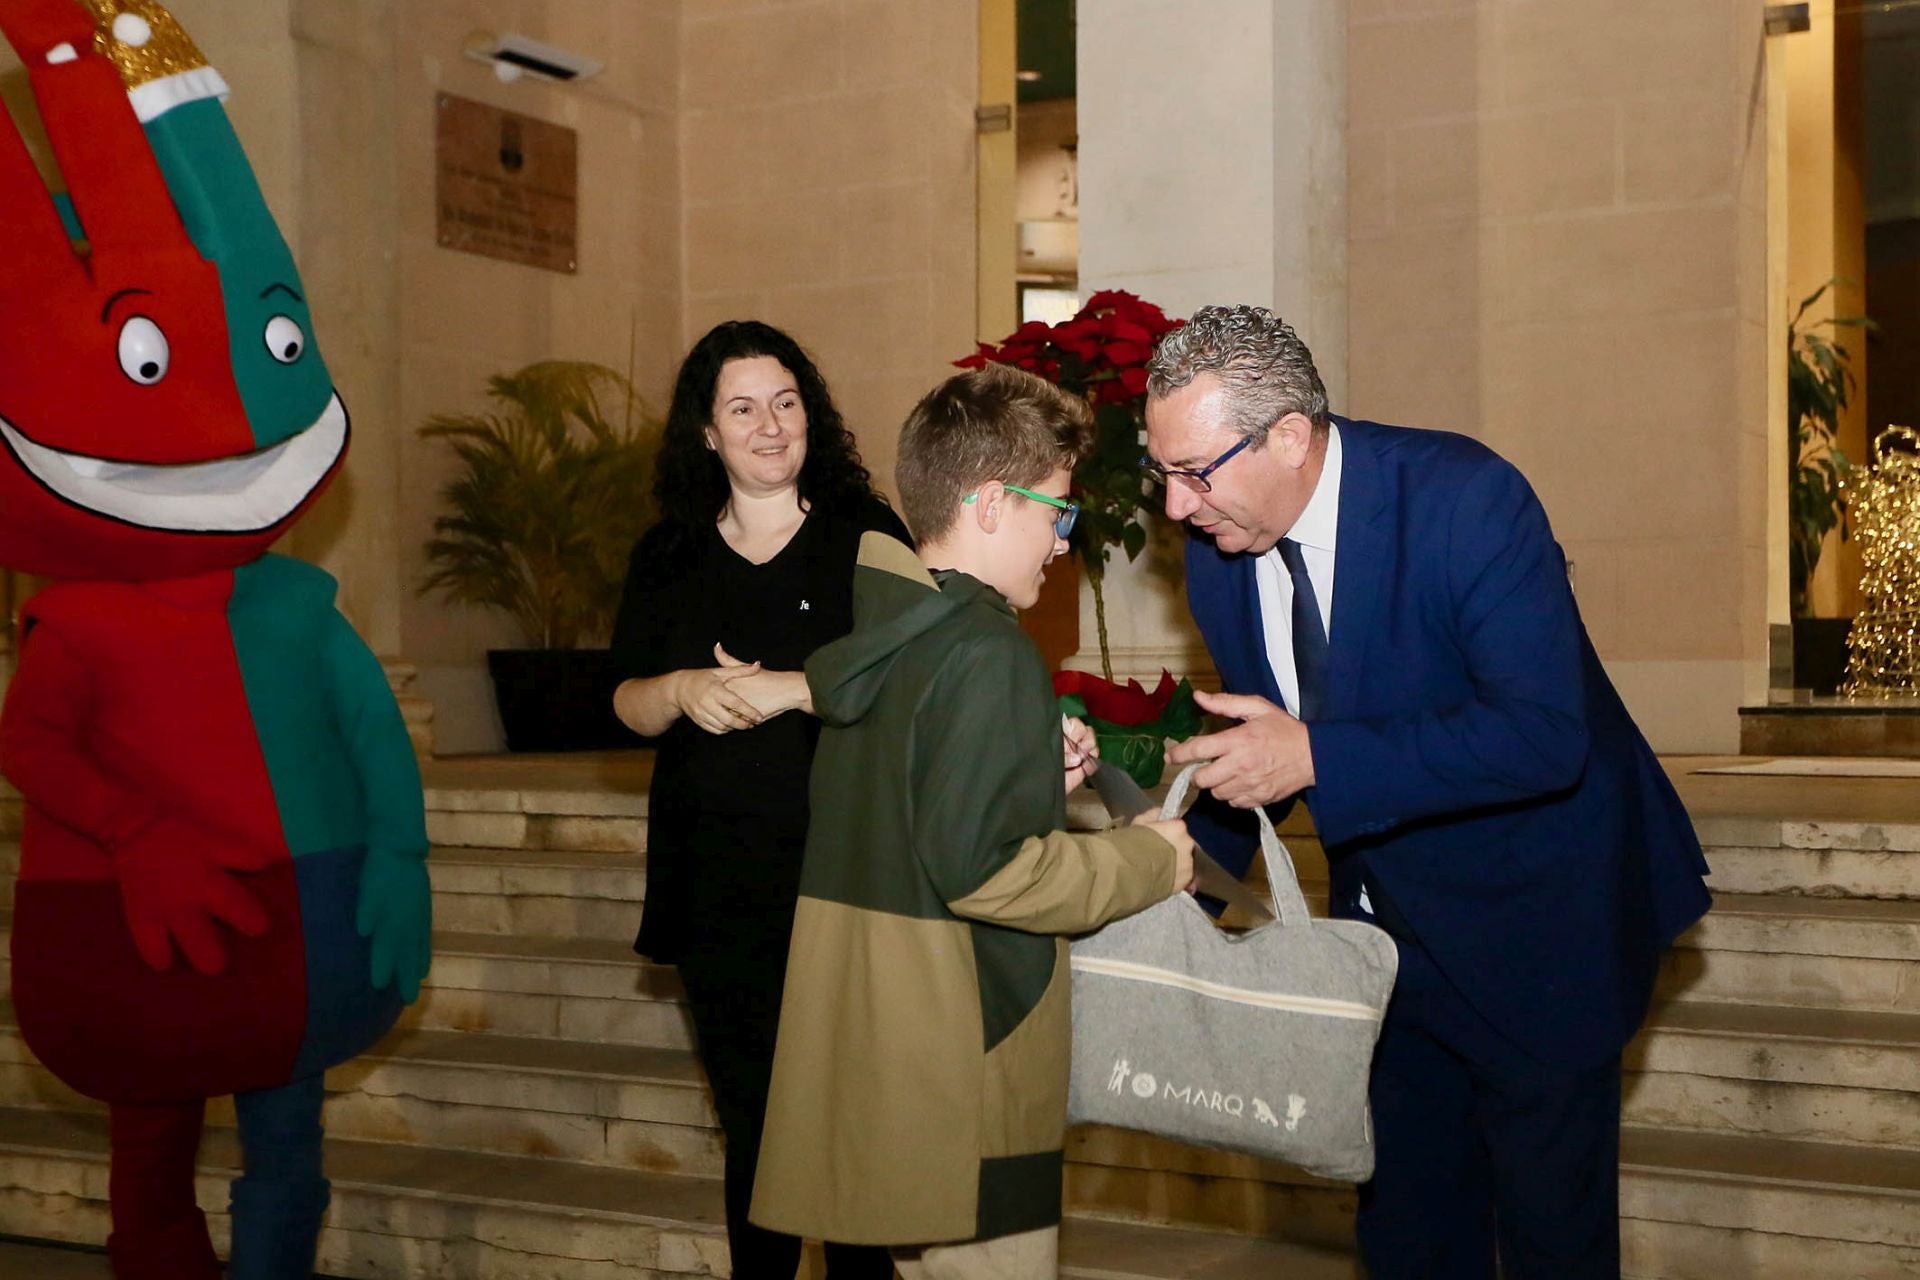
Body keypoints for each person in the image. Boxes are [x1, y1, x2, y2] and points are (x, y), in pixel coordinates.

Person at [1146, 305, 1712, 1279]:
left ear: (1289, 435)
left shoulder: (1465, 499)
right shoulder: (1219, 553)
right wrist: (1160, 875)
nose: (1175, 508)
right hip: (1383, 949)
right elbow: (1266, 754)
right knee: (1407, 1237)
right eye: (1160, 472)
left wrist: (1317, 758)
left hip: (1542, 929)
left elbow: (1543, 735)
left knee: (1552, 1241)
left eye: (1195, 471)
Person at [747, 363, 1197, 1280]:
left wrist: (1033, 768)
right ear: (994, 503)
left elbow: (918, 814)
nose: (1064, 542)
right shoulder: (988, 651)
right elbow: (986, 873)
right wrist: (1149, 858)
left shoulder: (892, 636)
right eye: (1057, 513)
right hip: (970, 1063)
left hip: (887, 1059)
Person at [608, 320, 905, 1279]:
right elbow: (624, 700)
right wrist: (685, 690)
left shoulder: (867, 536)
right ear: (705, 430)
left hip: (843, 877)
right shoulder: (669, 554)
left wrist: (794, 685)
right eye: (743, 407)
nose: (770, 425)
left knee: (849, 1129)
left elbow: (922, 672)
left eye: (786, 402)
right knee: (757, 1129)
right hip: (715, 884)